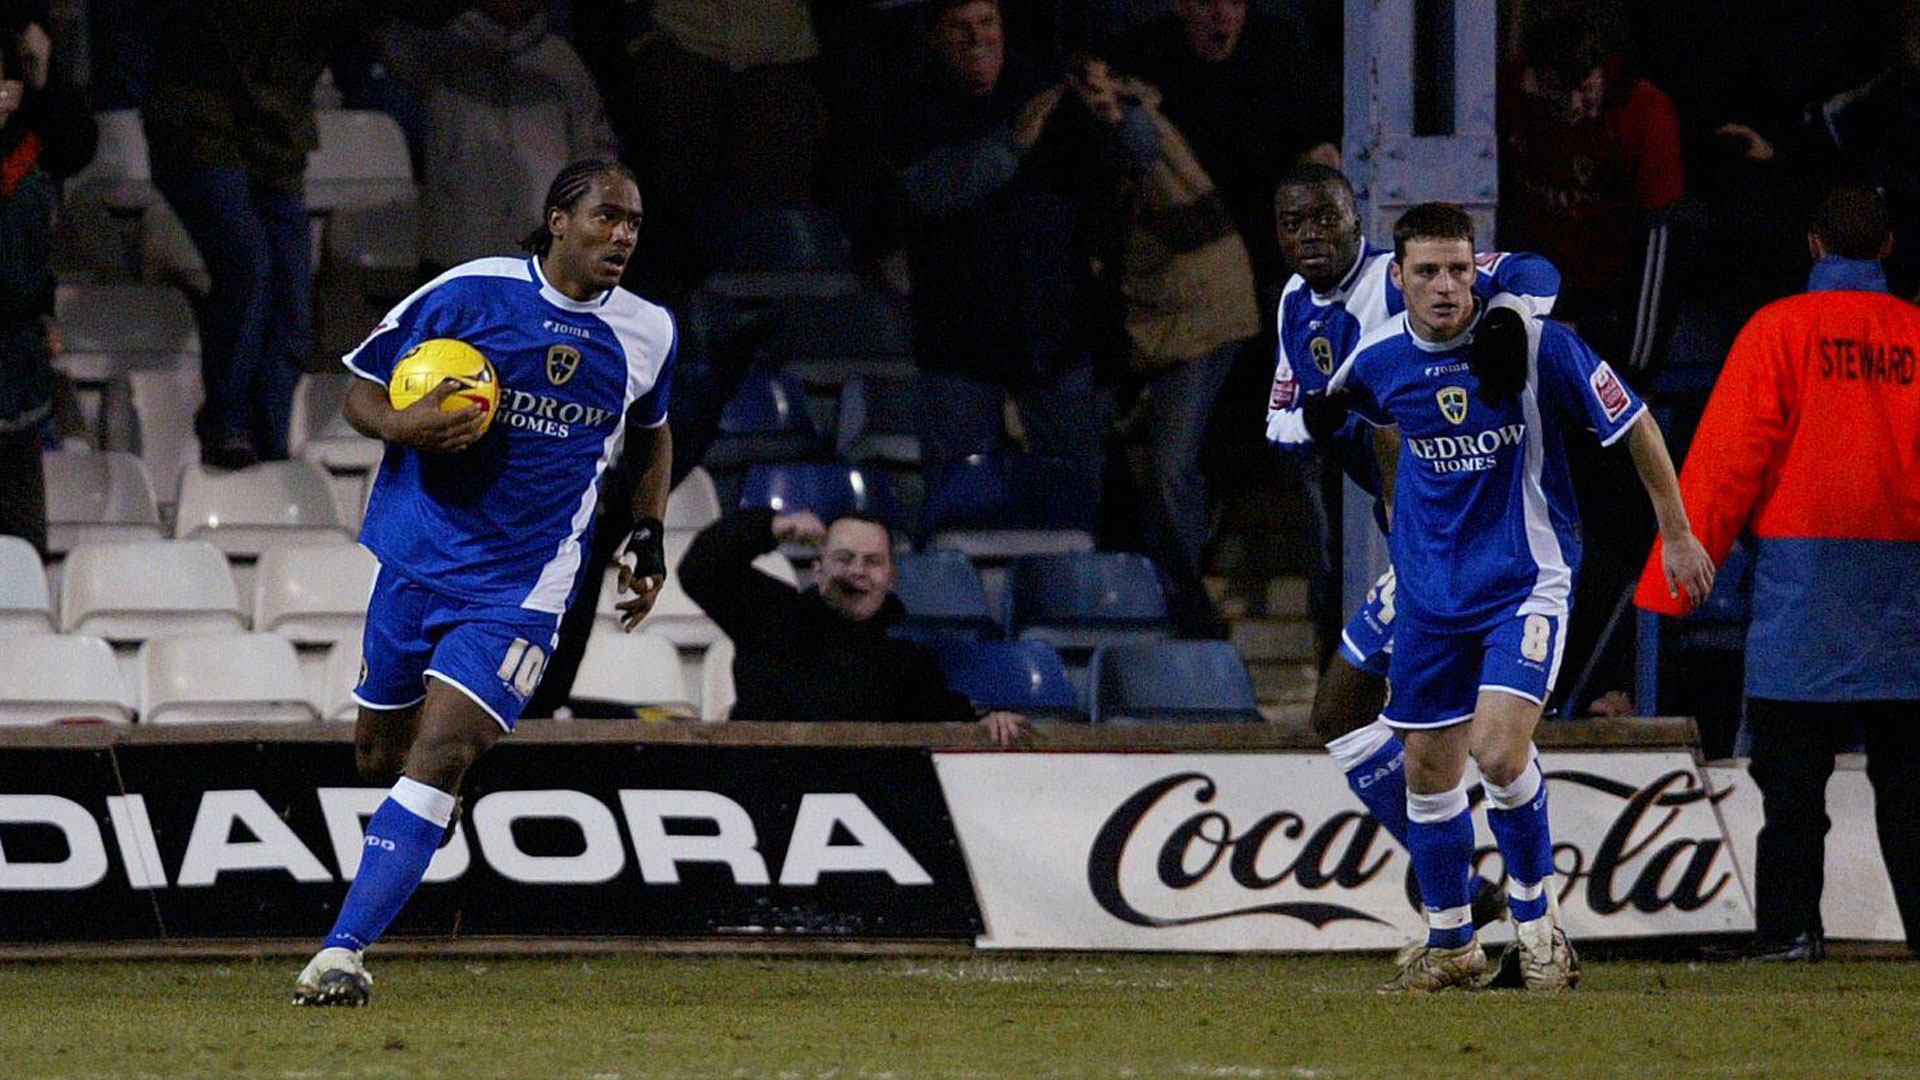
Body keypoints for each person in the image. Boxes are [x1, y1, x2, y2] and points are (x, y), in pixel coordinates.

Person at [293, 159, 676, 1006]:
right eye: (608, 217)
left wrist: (647, 536)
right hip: (415, 562)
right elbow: (360, 384)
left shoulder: (647, 331)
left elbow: (651, 436)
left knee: (442, 754)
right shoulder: (470, 291)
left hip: (523, 588)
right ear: (558, 220)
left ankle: (340, 954)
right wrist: (401, 425)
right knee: (379, 759)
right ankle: (422, 822)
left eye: (635, 224)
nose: (623, 236)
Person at [1316, 202, 1712, 991]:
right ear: (1397, 279)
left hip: (1525, 577)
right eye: (1426, 272)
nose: (1444, 287)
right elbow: (1368, 418)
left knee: (1497, 751)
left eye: (1459, 270)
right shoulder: (1378, 358)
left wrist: (1676, 531)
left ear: (1478, 271)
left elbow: (1632, 424)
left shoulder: (1535, 344)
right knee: (1427, 768)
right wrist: (1398, 505)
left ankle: (1539, 930)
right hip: (1430, 591)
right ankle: (1453, 941)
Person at [1266, 167, 1557, 929]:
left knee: (1463, 735)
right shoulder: (1298, 308)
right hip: (1420, 545)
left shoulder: (1406, 283)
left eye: (1326, 218)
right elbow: (1292, 418)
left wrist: (1510, 318)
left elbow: (1532, 271)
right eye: (1294, 224)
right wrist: (1326, 416)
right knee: (1338, 712)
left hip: (1464, 539)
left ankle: (1502, 903)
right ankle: (1453, 873)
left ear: (1358, 218)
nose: (1311, 236)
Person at [1635, 185, 1920, 962]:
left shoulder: (1779, 331)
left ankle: (1791, 932)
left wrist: (1674, 579)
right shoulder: (1916, 336)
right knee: (1912, 788)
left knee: (1792, 787)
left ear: (1815, 246)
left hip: (1806, 599)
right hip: (1908, 603)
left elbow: (1729, 462)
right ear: (1888, 249)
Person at [141, 0, 457, 469]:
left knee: (293, 299)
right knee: (249, 265)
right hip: (198, 125)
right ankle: (227, 424)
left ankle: (270, 443)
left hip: (274, 140)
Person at [887, 0, 1112, 511]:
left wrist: (1114, 114)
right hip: (960, 347)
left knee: (1077, 504)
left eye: (987, 23)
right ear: (935, 37)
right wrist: (1012, 144)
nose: (977, 38)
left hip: (1055, 340)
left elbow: (1131, 161)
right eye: (960, 26)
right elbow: (932, 191)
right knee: (958, 506)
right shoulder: (915, 108)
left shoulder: (1046, 92)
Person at [678, 507, 1027, 745]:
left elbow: (949, 727)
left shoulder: (909, 662)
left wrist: (989, 724)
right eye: (843, 559)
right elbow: (700, 569)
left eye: (872, 562)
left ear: (891, 579)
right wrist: (771, 528)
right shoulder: (772, 616)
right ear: (818, 571)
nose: (857, 571)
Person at [380, 0, 619, 280]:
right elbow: (385, 33)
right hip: (454, 253)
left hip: (541, 259)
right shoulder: (439, 51)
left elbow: (595, 158)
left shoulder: (563, 63)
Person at [0, 29, 54, 558]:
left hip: (12, 376)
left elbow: (29, 280)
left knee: (20, 548)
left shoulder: (28, 175)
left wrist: (41, 77)